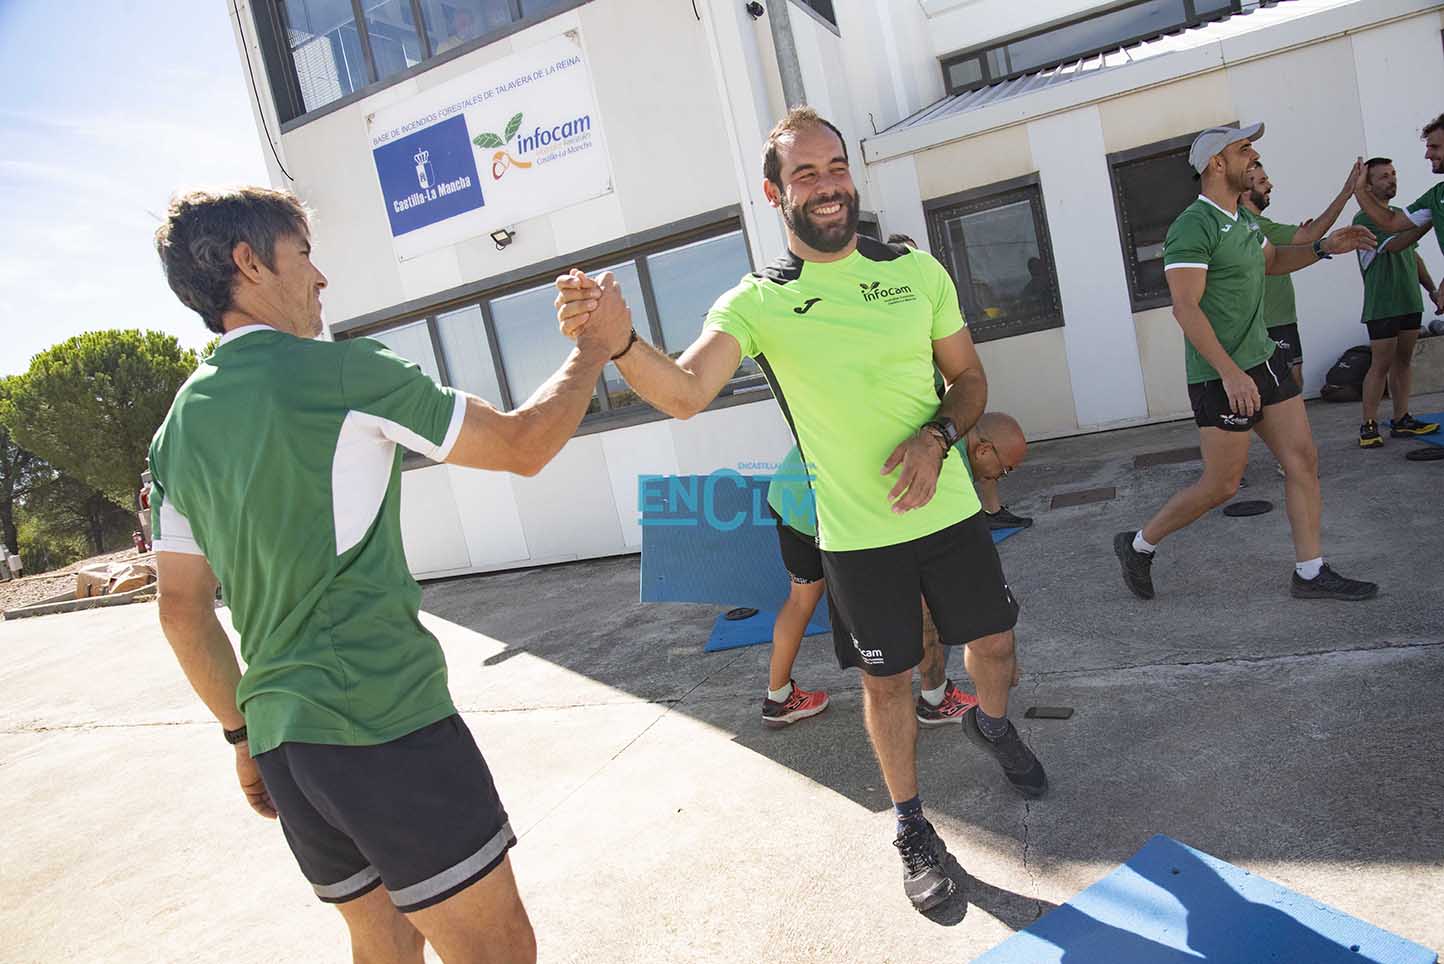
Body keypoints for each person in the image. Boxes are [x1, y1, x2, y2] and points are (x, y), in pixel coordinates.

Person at [557, 107, 1043, 913]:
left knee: (995, 646)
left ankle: (991, 723)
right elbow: (684, 393)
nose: (827, 185)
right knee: (888, 685)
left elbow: (969, 379)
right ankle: (912, 825)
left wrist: (935, 439)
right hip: (854, 536)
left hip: (950, 513)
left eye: (836, 167)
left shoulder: (916, 273)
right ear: (774, 193)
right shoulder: (758, 301)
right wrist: (620, 343)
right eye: (806, 173)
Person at [149, 188, 631, 963]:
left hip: (284, 744)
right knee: (498, 952)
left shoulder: (177, 429)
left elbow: (181, 610)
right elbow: (522, 445)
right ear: (250, 263)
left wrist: (242, 736)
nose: (321, 277)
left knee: (385, 945)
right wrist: (593, 351)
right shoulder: (343, 373)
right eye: (304, 254)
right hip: (383, 722)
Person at [1112, 124, 1379, 603]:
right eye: (1244, 151)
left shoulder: (1244, 221)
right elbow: (1185, 308)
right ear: (1217, 164)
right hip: (1221, 375)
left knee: (1302, 461)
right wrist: (1229, 373)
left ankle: (1310, 572)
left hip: (1264, 359)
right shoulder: (1193, 225)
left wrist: (1324, 248)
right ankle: (1139, 545)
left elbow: (1272, 262)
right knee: (1222, 485)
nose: (1253, 158)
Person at [764, 412, 1029, 730]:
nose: (999, 477)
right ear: (984, 450)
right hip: (831, 509)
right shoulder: (942, 459)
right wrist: (999, 652)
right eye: (1005, 470)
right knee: (922, 600)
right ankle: (935, 699)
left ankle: (777, 698)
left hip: (789, 496)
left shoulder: (929, 414)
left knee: (801, 598)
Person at [886, 233, 1031, 529]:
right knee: (974, 453)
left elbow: (961, 365)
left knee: (982, 446)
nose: (913, 265)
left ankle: (991, 511)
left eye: (916, 257)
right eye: (906, 258)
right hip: (917, 404)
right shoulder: (890, 308)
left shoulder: (931, 290)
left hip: (945, 396)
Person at [1240, 158, 1361, 387]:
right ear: (1245, 190)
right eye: (1262, 182)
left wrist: (1308, 244)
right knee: (1286, 389)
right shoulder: (1253, 225)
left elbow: (1305, 242)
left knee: (1292, 385)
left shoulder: (1260, 224)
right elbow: (1312, 234)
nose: (1270, 186)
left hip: (1282, 321)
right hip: (1269, 324)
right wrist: (1347, 192)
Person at [1351, 157, 1443, 447]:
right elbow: (1396, 244)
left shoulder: (1400, 215)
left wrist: (1431, 289)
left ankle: (1402, 419)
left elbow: (1412, 256)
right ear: (1368, 186)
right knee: (1380, 364)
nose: (1391, 179)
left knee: (1403, 362)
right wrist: (1432, 215)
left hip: (1409, 300)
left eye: (1393, 174)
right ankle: (1368, 425)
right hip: (1383, 304)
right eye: (1383, 176)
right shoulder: (1365, 219)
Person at [1353, 112, 1444, 272]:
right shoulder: (1435, 196)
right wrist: (1358, 190)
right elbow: (1392, 225)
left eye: (1435, 147)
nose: (1427, 155)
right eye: (1384, 176)